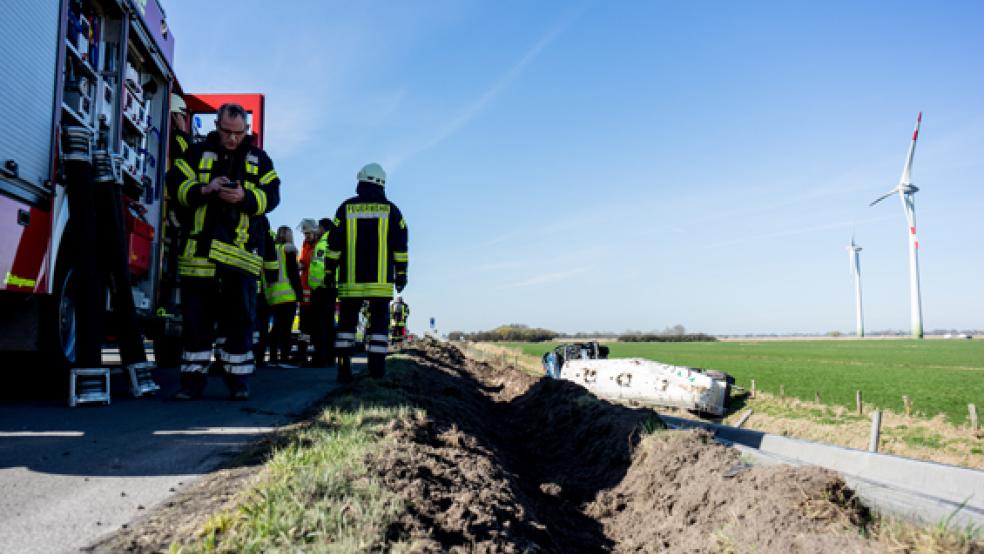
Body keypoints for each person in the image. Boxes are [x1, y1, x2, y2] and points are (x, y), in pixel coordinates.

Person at [165, 103, 280, 400]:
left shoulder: (259, 159)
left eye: (237, 133)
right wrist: (204, 189)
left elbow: (273, 196)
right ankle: (192, 384)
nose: (231, 139)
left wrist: (245, 196)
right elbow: (175, 183)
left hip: (239, 258)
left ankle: (238, 383)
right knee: (195, 324)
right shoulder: (196, 153)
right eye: (226, 132)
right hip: (199, 257)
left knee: (239, 324)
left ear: (246, 130)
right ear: (217, 126)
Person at [325, 162, 408, 382]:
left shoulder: (345, 208)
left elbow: (334, 244)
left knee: (346, 327)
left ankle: (343, 371)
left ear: (361, 181)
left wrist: (329, 271)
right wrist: (401, 273)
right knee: (379, 327)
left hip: (350, 280)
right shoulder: (392, 210)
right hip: (380, 282)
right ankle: (377, 371)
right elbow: (401, 246)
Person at [264, 225, 303, 367]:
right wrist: (299, 293)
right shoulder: (289, 249)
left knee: (275, 328)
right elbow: (293, 273)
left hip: (274, 295)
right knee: (286, 329)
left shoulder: (272, 249)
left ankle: (273, 358)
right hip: (288, 294)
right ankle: (284, 358)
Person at [307, 217, 338, 366]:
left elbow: (319, 266)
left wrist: (317, 284)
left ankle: (320, 357)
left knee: (320, 325)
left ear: (322, 228)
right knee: (328, 324)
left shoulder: (324, 243)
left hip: (321, 289)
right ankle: (329, 357)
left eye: (318, 228)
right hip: (330, 288)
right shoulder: (335, 241)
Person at [293, 218, 318, 365]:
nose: (306, 236)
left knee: (314, 324)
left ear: (314, 231)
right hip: (304, 289)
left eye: (308, 233)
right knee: (304, 326)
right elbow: (303, 262)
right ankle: (301, 353)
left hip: (314, 289)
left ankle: (314, 354)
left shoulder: (319, 245)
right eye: (304, 234)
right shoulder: (305, 244)